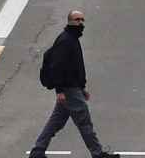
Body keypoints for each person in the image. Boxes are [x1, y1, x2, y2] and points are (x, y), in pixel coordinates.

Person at [30, 11, 117, 158]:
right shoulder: (66, 41)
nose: (81, 23)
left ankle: (38, 151)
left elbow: (74, 68)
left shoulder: (72, 39)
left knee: (55, 122)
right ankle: (98, 154)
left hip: (73, 88)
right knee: (84, 122)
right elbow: (57, 67)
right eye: (77, 19)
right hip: (69, 90)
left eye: (82, 19)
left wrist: (82, 88)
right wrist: (60, 90)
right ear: (69, 21)